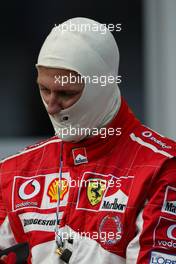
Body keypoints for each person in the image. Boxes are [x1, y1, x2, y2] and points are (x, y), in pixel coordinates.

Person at [0, 17, 176, 264]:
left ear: (101, 87)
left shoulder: (161, 167)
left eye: (66, 93)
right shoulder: (14, 172)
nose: (51, 107)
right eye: (44, 90)